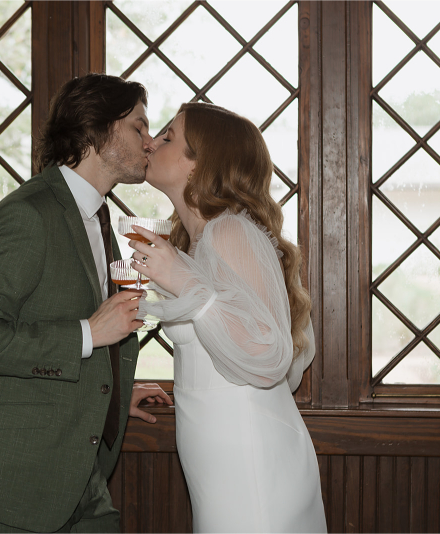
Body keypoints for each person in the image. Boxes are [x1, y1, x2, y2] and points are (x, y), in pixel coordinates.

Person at [0, 73, 172, 533]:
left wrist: (109, 394)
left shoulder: (100, 216)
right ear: (97, 131)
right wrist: (88, 333)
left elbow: (57, 322)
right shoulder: (28, 214)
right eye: (139, 127)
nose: (150, 142)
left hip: (84, 481)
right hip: (11, 491)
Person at [129, 102, 327, 532]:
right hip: (221, 466)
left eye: (167, 137)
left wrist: (189, 288)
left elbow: (272, 357)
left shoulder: (230, 231)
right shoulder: (198, 238)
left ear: (202, 164)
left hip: (251, 468)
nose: (151, 142)